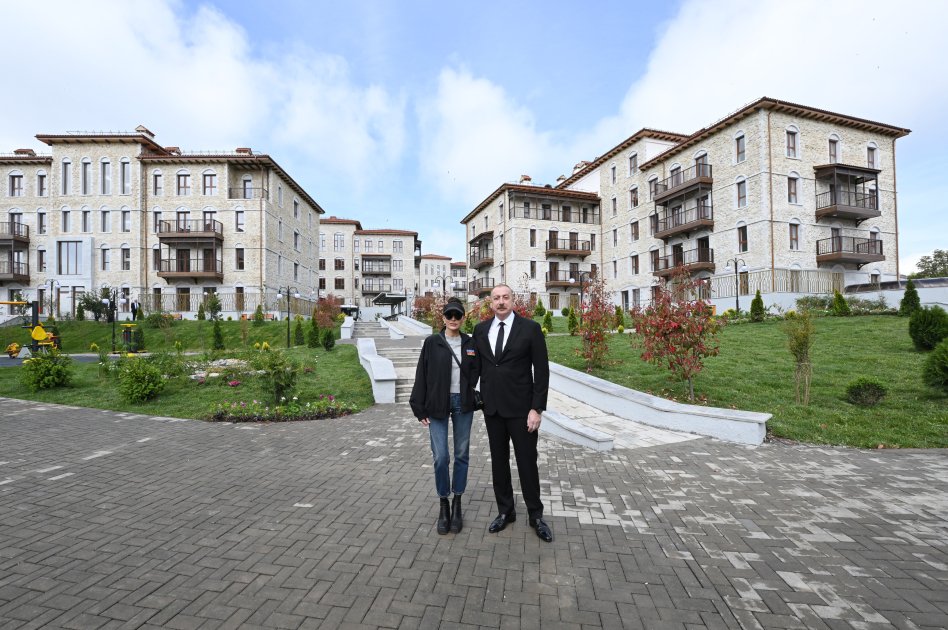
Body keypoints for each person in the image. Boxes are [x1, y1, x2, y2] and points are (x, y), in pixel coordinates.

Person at [473, 284, 553, 542]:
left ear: (513, 300)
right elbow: (474, 366)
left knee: (527, 462)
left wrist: (536, 408)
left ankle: (536, 515)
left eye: (505, 297)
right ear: (490, 303)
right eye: (496, 298)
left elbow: (541, 371)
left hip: (522, 410)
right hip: (493, 409)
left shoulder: (530, 329)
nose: (500, 302)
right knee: (499, 463)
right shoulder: (481, 330)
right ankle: (505, 512)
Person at [409, 297, 478, 534]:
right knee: (441, 456)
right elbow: (422, 374)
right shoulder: (432, 342)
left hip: (463, 403)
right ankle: (443, 503)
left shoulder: (471, 343)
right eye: (449, 315)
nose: (453, 319)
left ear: (463, 317)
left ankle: (457, 502)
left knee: (461, 454)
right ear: (443, 318)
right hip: (437, 403)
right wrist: (419, 407)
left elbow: (481, 371)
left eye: (457, 315)